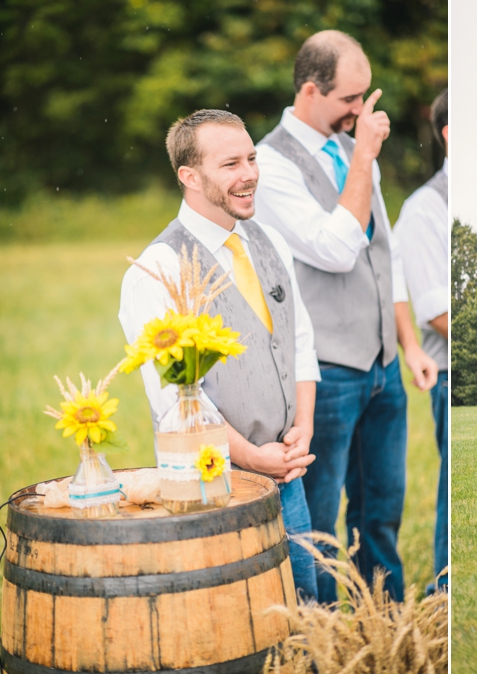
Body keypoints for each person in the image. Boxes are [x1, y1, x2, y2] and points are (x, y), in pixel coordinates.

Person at [253, 30, 438, 603]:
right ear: (311, 90)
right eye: (350, 100)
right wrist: (363, 156)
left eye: (364, 98)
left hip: (383, 365)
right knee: (322, 519)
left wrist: (408, 344)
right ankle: (329, 636)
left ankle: (386, 624)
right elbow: (334, 248)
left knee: (381, 511)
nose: (361, 112)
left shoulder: (355, 150)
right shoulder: (270, 164)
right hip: (325, 370)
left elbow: (387, 252)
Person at [119, 109, 321, 601]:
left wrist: (303, 427)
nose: (250, 173)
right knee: (238, 619)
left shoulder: (270, 241)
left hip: (287, 474)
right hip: (208, 489)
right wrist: (251, 457)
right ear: (189, 176)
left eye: (251, 158)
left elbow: (299, 341)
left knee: (305, 604)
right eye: (231, 164)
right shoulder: (156, 269)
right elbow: (174, 400)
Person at [393, 88, 448, 594]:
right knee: (452, 495)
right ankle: (447, 597)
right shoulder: (425, 209)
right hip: (450, 373)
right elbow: (438, 313)